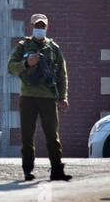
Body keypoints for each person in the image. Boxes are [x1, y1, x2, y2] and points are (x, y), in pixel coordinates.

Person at [8, 14, 72, 181]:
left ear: (47, 28)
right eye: (38, 26)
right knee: (27, 135)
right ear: (32, 26)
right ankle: (27, 170)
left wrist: (63, 97)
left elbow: (62, 74)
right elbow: (11, 67)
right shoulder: (23, 46)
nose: (40, 29)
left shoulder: (54, 48)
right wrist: (26, 64)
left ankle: (57, 170)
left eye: (43, 26)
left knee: (52, 134)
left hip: (48, 97)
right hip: (28, 97)